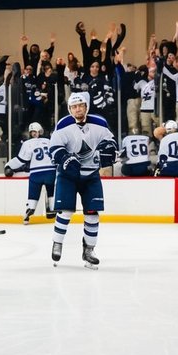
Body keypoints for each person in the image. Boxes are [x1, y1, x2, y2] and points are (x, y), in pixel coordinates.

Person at [49, 91, 114, 268]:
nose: (78, 109)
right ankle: (57, 242)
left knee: (92, 214)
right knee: (66, 211)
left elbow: (110, 141)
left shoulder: (99, 123)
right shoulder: (63, 124)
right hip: (68, 175)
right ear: (70, 109)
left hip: (91, 174)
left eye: (81, 106)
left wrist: (110, 148)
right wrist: (63, 158)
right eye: (74, 106)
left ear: (86, 106)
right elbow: (54, 147)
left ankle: (89, 250)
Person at [4, 121, 55, 223]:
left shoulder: (28, 143)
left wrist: (8, 165)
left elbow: (21, 160)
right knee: (51, 191)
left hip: (36, 174)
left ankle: (30, 209)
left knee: (33, 195)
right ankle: (52, 208)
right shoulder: (50, 141)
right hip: (51, 172)